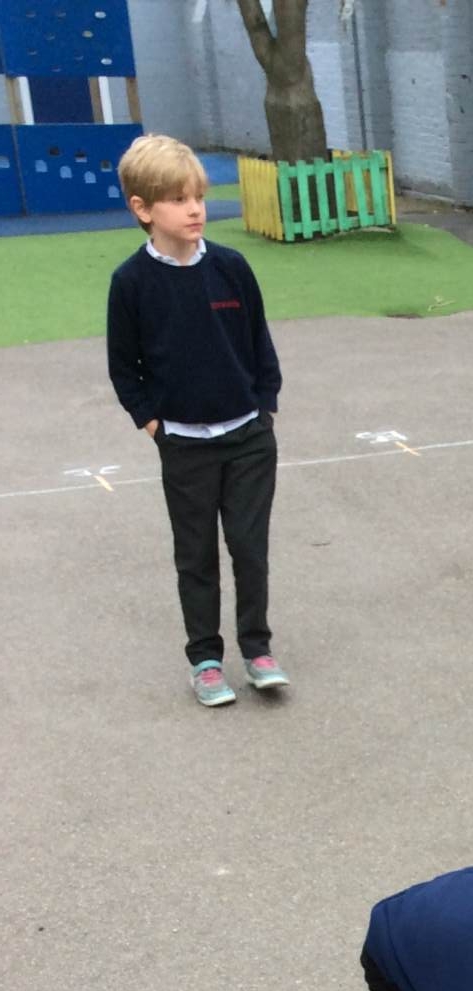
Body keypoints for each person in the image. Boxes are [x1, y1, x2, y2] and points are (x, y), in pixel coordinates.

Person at [107, 134, 289, 708]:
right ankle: (206, 660)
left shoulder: (231, 268)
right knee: (196, 556)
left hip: (249, 437)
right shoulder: (131, 283)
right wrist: (152, 424)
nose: (194, 210)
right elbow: (124, 367)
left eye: (199, 198)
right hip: (184, 445)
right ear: (143, 209)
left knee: (249, 548)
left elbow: (258, 341)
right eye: (178, 200)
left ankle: (258, 650)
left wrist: (265, 405)